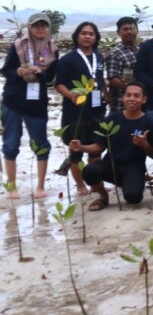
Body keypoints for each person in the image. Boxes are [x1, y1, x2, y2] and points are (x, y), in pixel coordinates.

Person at [75, 81, 153, 209]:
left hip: (134, 167)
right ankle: (103, 196)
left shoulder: (151, 123)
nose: (131, 99)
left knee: (133, 198)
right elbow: (99, 147)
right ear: (123, 97)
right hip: (110, 165)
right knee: (88, 171)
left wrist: (144, 144)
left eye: (136, 96)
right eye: (128, 95)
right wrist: (81, 147)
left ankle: (135, 182)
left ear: (144, 99)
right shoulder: (112, 119)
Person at [2, 13, 59, 199]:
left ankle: (40, 187)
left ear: (49, 28)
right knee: (10, 144)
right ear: (30, 27)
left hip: (36, 105)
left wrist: (40, 72)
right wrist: (17, 71)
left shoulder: (52, 50)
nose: (40, 28)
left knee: (41, 144)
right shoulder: (18, 46)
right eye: (36, 26)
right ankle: (12, 187)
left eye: (44, 25)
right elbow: (6, 70)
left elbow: (51, 77)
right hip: (13, 102)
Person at [54, 21, 107, 195]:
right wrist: (70, 95)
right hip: (75, 112)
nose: (87, 36)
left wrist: (106, 94)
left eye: (91, 33)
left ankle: (94, 183)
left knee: (96, 149)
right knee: (76, 150)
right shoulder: (67, 59)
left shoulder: (99, 57)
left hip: (97, 110)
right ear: (77, 36)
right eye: (84, 33)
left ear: (96, 37)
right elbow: (59, 84)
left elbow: (99, 79)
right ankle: (80, 186)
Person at [105, 16, 140, 113]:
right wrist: (130, 84)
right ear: (118, 32)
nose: (129, 32)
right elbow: (112, 79)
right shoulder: (115, 53)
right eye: (125, 29)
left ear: (137, 30)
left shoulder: (141, 50)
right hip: (121, 104)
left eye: (132, 28)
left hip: (141, 103)